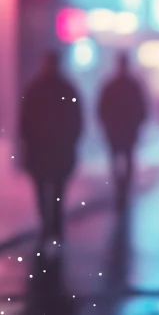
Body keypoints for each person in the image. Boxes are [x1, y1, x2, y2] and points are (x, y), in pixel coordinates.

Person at [19, 52, 83, 248]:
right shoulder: (66, 89)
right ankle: (54, 228)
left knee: (42, 189)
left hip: (41, 151)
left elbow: (25, 121)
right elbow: (76, 119)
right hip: (59, 151)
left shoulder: (34, 89)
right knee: (57, 191)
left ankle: (48, 227)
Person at [98, 53, 147, 211]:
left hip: (116, 131)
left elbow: (101, 109)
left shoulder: (111, 86)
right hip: (127, 132)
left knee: (116, 162)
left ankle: (121, 190)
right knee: (127, 161)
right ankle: (123, 191)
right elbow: (142, 109)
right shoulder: (133, 86)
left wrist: (107, 125)